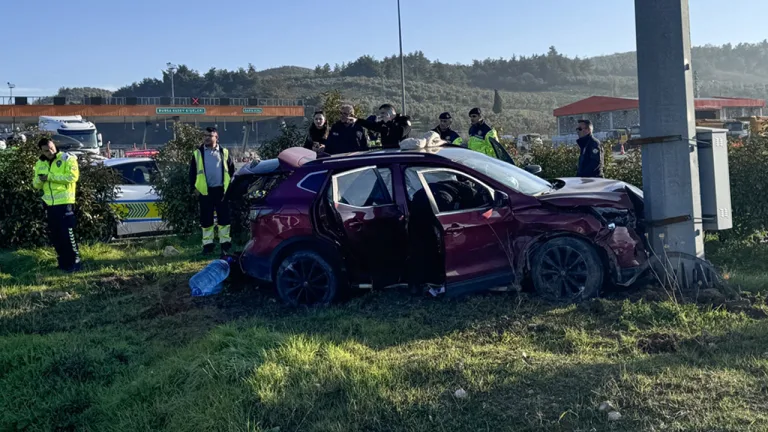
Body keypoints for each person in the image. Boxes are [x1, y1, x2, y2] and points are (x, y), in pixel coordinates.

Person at [33, 137, 82, 272]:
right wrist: (40, 179)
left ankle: (75, 262)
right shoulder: (40, 163)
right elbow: (36, 184)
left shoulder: (67, 158)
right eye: (46, 150)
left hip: (65, 203)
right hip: (49, 204)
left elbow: (72, 177)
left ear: (54, 145)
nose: (50, 151)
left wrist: (50, 177)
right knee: (56, 236)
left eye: (51, 148)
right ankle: (63, 263)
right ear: (41, 151)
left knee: (68, 235)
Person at [189, 127, 236, 254]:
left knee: (224, 219)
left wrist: (231, 188)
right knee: (206, 220)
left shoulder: (224, 152)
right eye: (205, 135)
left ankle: (225, 244)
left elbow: (232, 171)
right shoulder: (198, 153)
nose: (206, 138)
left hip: (221, 191)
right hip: (205, 192)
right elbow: (192, 173)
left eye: (209, 136)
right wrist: (194, 188)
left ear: (216, 137)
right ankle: (208, 245)